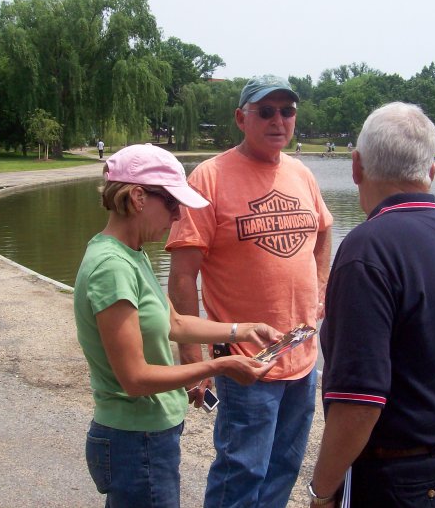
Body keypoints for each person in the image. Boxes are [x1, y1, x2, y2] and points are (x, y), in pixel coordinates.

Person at [73, 144, 280, 508]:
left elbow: (176, 322)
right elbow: (135, 379)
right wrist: (220, 366)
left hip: (146, 438)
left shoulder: (131, 253)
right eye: (172, 203)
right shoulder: (112, 268)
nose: (179, 214)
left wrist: (242, 330)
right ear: (138, 197)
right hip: (136, 441)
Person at [307, 102, 435, 507]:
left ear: (356, 166)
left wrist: (321, 491)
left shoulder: (367, 249)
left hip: (404, 479)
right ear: (431, 171)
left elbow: (359, 401)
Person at [166, 74, 333, 507]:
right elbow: (182, 277)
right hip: (245, 362)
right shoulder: (209, 178)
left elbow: (324, 231)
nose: (278, 120)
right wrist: (195, 362)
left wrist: (321, 291)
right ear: (242, 118)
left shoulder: (301, 173)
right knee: (242, 470)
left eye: (287, 111)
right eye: (266, 111)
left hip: (302, 355)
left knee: (284, 467)